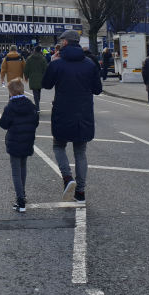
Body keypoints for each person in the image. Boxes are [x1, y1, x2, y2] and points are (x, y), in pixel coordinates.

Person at [41, 30, 102, 203]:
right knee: (80, 152)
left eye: (60, 41)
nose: (58, 44)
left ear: (66, 43)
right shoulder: (89, 64)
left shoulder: (57, 63)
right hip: (83, 113)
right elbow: (97, 89)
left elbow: (46, 84)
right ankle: (81, 192)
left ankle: (68, 178)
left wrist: (51, 63)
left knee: (59, 146)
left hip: (62, 112)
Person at [0, 78, 39, 213]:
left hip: (14, 141)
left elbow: (3, 124)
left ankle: (20, 200)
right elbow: (35, 122)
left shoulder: (10, 106)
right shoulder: (30, 104)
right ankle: (23, 194)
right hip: (27, 140)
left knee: (16, 172)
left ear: (11, 92)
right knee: (23, 168)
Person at [23, 45, 48, 112]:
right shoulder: (43, 58)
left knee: (35, 93)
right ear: (40, 51)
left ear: (34, 50)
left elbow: (26, 69)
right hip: (41, 78)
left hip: (33, 78)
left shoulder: (29, 58)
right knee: (38, 92)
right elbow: (46, 69)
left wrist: (26, 77)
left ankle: (37, 106)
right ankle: (37, 105)